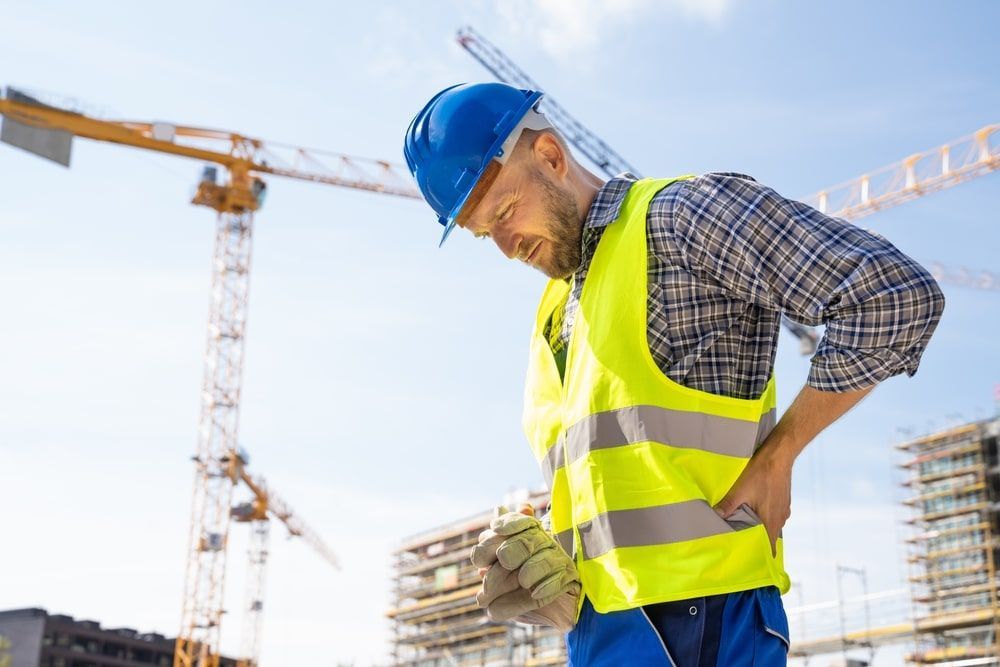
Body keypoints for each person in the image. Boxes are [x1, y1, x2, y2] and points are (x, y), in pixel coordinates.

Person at [402, 82, 944, 666]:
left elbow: (894, 295)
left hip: (704, 616)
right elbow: (621, 468)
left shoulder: (682, 217)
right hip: (599, 631)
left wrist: (781, 452)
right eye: (487, 236)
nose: (507, 248)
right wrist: (557, 557)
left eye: (505, 213)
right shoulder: (554, 311)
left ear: (552, 157)